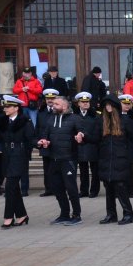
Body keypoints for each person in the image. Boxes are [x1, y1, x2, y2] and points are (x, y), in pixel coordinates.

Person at [38, 95, 86, 225]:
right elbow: (44, 135)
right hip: (53, 159)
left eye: (56, 104)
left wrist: (81, 136)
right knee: (57, 188)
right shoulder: (50, 119)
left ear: (64, 106)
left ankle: (76, 215)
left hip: (68, 159)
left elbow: (82, 132)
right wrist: (44, 141)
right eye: (53, 104)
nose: (53, 106)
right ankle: (64, 214)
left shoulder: (75, 118)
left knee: (71, 188)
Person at [92, 95, 133, 225]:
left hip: (120, 158)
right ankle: (111, 214)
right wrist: (82, 136)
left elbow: (132, 138)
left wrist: (129, 156)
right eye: (106, 105)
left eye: (110, 105)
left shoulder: (125, 121)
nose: (108, 107)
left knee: (120, 186)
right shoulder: (101, 121)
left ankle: (128, 213)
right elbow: (95, 138)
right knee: (108, 187)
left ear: (116, 106)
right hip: (105, 159)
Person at [0, 95, 35, 228]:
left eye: (8, 107)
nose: (5, 109)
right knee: (14, 188)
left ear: (16, 108)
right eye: (4, 106)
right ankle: (22, 215)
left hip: (19, 155)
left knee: (9, 186)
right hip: (7, 155)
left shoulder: (25, 121)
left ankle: (8, 217)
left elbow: (31, 138)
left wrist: (40, 143)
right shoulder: (3, 121)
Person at [73, 92, 100, 198]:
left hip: (93, 146)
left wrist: (85, 136)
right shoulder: (74, 116)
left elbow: (98, 132)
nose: (85, 104)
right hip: (80, 147)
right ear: (78, 103)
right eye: (83, 102)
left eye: (87, 102)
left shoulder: (96, 116)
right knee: (83, 170)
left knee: (95, 171)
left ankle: (94, 191)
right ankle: (83, 190)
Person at [36, 89, 59, 197]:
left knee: (58, 167)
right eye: (48, 98)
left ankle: (59, 188)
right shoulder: (41, 112)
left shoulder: (59, 111)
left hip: (57, 144)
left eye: (52, 98)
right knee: (47, 168)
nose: (50, 100)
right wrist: (38, 141)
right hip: (45, 144)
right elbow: (38, 128)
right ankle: (48, 189)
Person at [118, 94, 133, 197]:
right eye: (124, 103)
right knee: (119, 170)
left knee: (129, 171)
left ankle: (129, 191)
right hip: (118, 147)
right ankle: (119, 191)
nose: (127, 106)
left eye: (129, 104)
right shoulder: (115, 116)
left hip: (129, 147)